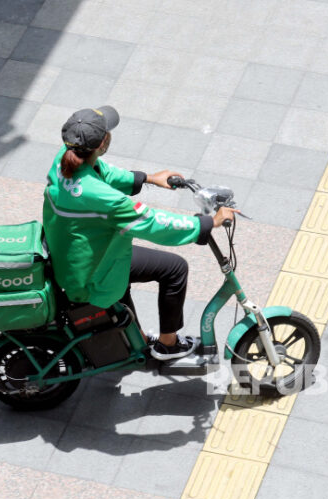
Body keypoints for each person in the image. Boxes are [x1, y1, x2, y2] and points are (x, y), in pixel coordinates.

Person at [42, 105, 236, 360]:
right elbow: (152, 223)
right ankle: (168, 344)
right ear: (103, 143)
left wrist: (147, 178)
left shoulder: (64, 158)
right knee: (174, 269)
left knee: (131, 266)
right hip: (91, 273)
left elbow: (102, 172)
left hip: (72, 255)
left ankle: (136, 340)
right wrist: (208, 224)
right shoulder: (104, 198)